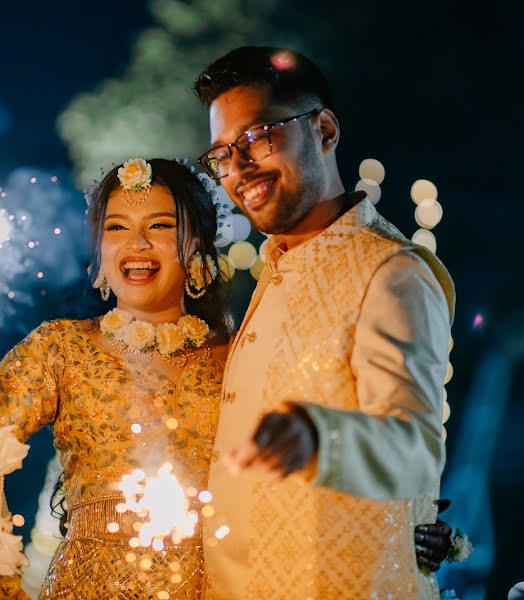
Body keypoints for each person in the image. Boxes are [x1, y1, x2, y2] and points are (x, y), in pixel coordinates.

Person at [194, 46, 456, 599]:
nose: (239, 169)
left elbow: (416, 449)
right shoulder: (273, 270)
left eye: (258, 137)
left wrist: (320, 437)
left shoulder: (391, 271)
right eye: (221, 155)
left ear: (326, 130)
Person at [0, 158, 231, 599]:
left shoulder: (239, 355)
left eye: (161, 226)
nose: (138, 244)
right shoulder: (62, 348)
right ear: (99, 249)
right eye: (116, 228)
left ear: (197, 245)